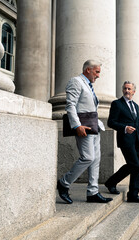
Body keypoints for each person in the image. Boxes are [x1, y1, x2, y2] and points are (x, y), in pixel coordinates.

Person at [57, 60, 112, 204]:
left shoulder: (89, 85)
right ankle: (64, 183)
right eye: (97, 72)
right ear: (88, 70)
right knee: (88, 157)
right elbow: (70, 105)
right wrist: (76, 126)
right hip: (83, 128)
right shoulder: (76, 81)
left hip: (94, 127)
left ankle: (93, 192)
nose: (98, 76)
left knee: (95, 159)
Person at [104, 81, 139, 203]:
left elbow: (137, 126)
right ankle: (112, 182)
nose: (127, 91)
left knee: (138, 166)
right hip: (125, 140)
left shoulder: (136, 106)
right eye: (125, 88)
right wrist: (124, 128)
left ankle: (133, 194)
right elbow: (111, 122)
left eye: (129, 89)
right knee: (135, 164)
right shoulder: (117, 104)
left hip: (136, 141)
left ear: (134, 91)